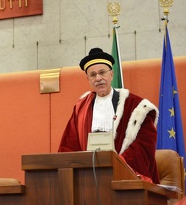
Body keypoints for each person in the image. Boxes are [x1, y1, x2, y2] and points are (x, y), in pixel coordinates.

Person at [58, 47, 160, 184]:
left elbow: (145, 142)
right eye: (93, 75)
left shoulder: (136, 106)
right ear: (87, 78)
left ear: (111, 74)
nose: (98, 78)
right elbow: (69, 146)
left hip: (125, 176)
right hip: (89, 178)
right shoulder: (80, 108)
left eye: (102, 73)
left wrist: (117, 163)